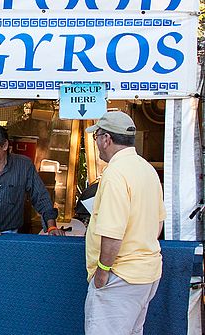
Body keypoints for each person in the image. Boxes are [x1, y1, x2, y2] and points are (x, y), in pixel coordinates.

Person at [84, 111, 165, 335]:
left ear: (106, 139)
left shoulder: (115, 174)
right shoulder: (147, 169)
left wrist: (102, 271)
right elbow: (157, 225)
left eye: (97, 137)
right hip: (146, 273)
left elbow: (112, 232)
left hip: (119, 276)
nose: (97, 143)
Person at [0, 123, 63, 236]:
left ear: (5, 145)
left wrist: (52, 227)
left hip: (11, 234)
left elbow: (41, 197)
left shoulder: (24, 165)